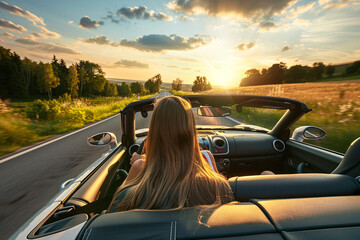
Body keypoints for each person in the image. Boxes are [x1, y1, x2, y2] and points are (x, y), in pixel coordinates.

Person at [108, 96, 233, 212]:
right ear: (191, 131)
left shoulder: (133, 192)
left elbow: (111, 216)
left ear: (155, 132)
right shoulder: (220, 187)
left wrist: (141, 165)